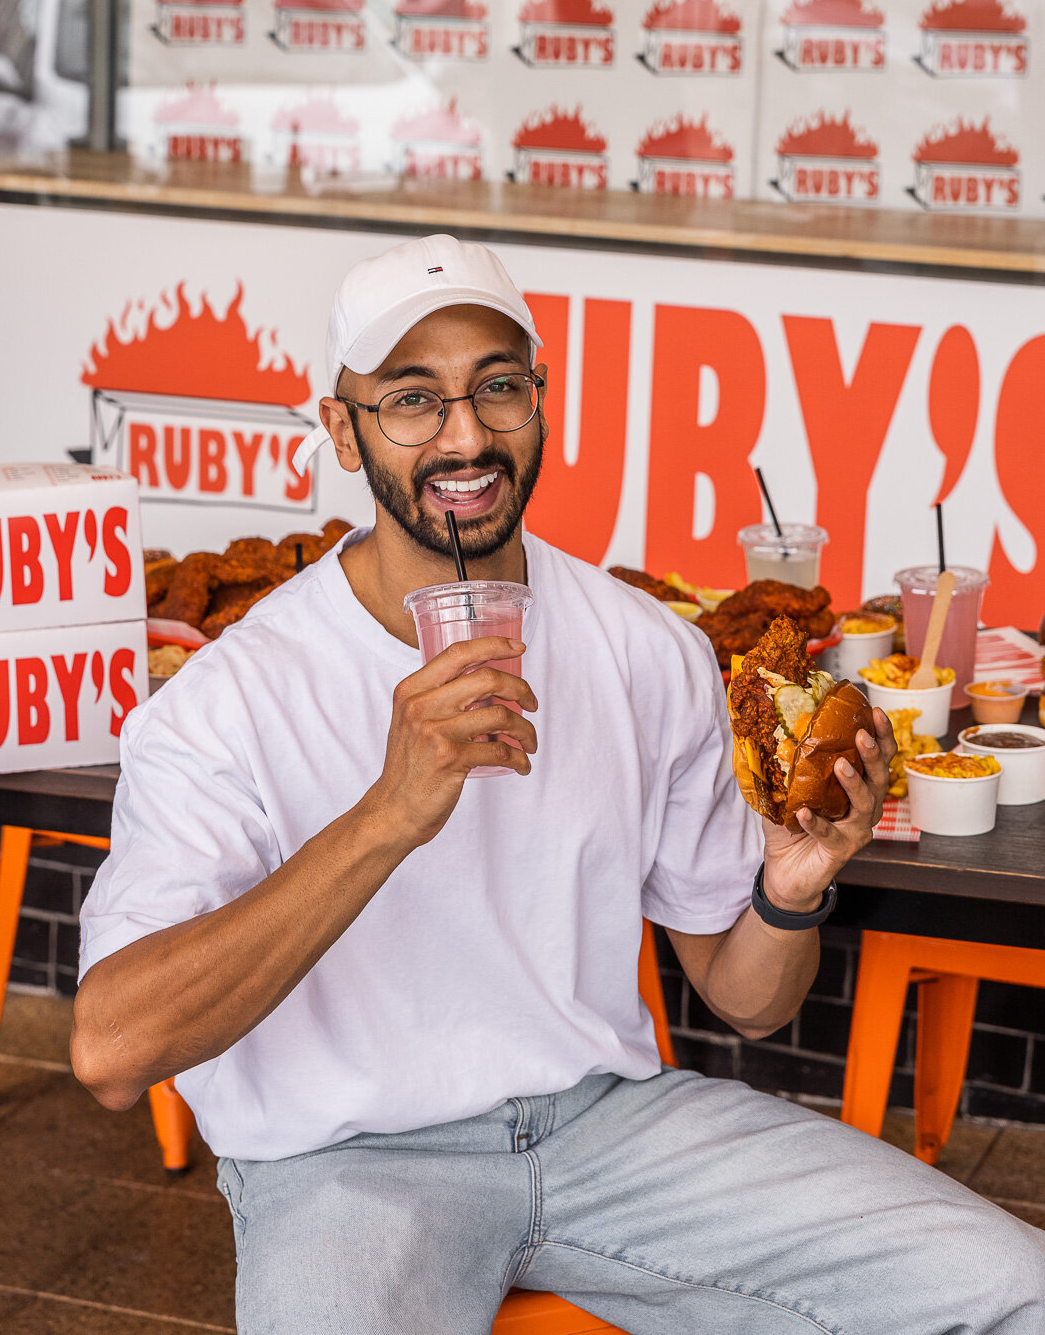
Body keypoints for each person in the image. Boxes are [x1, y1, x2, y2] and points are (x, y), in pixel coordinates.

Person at [72, 234, 1045, 1334]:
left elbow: (747, 999)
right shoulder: (233, 699)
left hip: (606, 1129)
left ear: (541, 402)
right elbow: (112, 1051)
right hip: (343, 1166)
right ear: (341, 430)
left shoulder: (648, 649)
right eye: (411, 399)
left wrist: (793, 883)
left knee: (1015, 1288)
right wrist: (388, 816)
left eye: (498, 387)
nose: (466, 434)